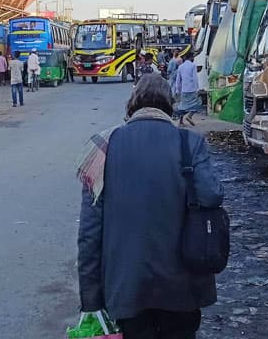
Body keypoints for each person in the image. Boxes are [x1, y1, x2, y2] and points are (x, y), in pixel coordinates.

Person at [77, 75, 223, 338]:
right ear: (170, 104)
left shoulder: (103, 147)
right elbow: (211, 196)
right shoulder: (190, 144)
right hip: (182, 286)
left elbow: (89, 233)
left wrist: (91, 298)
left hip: (126, 288)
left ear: (132, 104)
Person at [172, 52, 199, 127]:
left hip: (183, 90)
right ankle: (189, 116)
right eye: (193, 57)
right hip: (192, 89)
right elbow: (195, 78)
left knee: (183, 106)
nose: (193, 59)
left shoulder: (181, 66)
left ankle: (180, 122)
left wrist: (177, 89)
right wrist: (197, 88)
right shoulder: (193, 65)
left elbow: (178, 79)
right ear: (191, 57)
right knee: (197, 103)